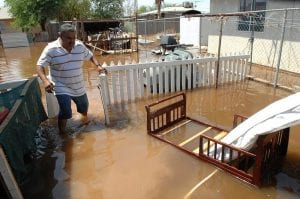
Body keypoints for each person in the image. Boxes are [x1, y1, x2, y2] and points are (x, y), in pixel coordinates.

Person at [36, 23, 106, 134]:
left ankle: (84, 121)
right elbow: (39, 66)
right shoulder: (51, 49)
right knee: (65, 110)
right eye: (68, 38)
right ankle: (62, 134)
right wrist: (45, 81)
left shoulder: (79, 46)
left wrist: (98, 66)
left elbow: (90, 56)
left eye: (73, 38)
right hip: (60, 85)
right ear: (60, 35)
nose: (72, 41)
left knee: (84, 107)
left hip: (78, 85)